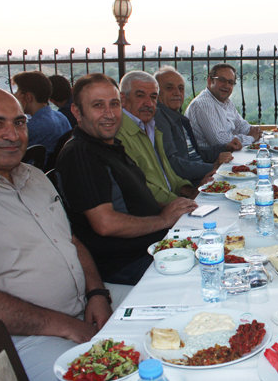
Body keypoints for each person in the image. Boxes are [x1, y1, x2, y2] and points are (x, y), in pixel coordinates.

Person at [0, 86, 112, 381]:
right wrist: (68, 327)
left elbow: (69, 240)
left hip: (82, 307)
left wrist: (97, 293)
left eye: (19, 122)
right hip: (20, 338)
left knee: (169, 321)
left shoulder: (34, 177)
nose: (13, 135)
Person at [57, 73, 197, 285]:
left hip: (154, 245)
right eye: (97, 105)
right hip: (125, 264)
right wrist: (163, 219)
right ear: (77, 111)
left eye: (113, 104)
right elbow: (105, 223)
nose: (109, 114)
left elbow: (137, 201)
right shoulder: (81, 153)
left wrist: (176, 209)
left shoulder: (109, 146)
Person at [116, 71, 200, 204]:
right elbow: (139, 187)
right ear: (123, 99)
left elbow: (167, 173)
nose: (149, 103)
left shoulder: (150, 126)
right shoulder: (119, 134)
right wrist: (180, 202)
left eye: (153, 97)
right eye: (140, 96)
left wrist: (191, 192)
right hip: (154, 213)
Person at [154, 67, 235, 186]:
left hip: (201, 175)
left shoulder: (175, 117)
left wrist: (225, 147)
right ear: (156, 92)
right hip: (191, 183)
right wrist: (213, 166)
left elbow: (193, 153)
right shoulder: (159, 118)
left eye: (181, 88)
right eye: (169, 88)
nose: (177, 93)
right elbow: (172, 164)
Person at [185, 63, 261, 149]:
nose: (227, 85)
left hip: (225, 156)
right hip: (210, 160)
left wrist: (254, 131)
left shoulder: (226, 102)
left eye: (230, 82)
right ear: (210, 81)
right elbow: (220, 141)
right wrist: (251, 138)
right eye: (222, 80)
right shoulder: (203, 104)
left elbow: (240, 125)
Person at [12, 71, 71, 163]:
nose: (15, 96)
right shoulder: (61, 117)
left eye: (17, 92)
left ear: (28, 97)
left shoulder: (32, 128)